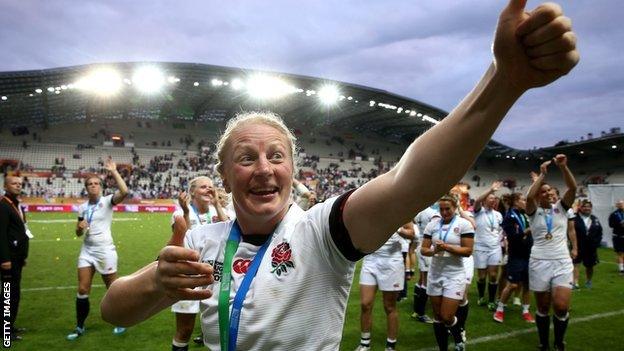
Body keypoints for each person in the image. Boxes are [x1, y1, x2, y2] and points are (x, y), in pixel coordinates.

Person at [100, 2, 580, 349]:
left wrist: (503, 80)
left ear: (293, 169)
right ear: (224, 177)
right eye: (246, 158)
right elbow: (114, 310)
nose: (264, 169)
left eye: (277, 155)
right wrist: (159, 283)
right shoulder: (203, 243)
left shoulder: (323, 231)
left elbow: (412, 179)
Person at [66, 158, 129, 340]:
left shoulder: (108, 201)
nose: (93, 186)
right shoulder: (82, 207)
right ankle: (79, 327)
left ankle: (120, 320)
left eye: (96, 183)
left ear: (100, 187)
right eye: (90, 184)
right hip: (87, 250)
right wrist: (79, 228)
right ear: (86, 188)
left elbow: (124, 191)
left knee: (112, 288)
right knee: (83, 289)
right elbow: (78, 232)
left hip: (105, 251)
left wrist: (114, 171)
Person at [526, 155, 578, 351]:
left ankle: (559, 341)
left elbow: (572, 189)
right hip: (539, 262)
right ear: (539, 195)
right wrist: (542, 175)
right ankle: (544, 343)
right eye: (544, 191)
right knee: (542, 307)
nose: (548, 193)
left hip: (562, 261)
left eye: (550, 190)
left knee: (561, 306)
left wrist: (564, 168)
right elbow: (529, 197)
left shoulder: (561, 209)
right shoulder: (533, 211)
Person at [170, 176, 229, 351]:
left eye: (211, 187)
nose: (209, 190)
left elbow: (230, 233)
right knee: (185, 330)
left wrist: (218, 205)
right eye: (203, 187)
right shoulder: (179, 213)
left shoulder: (217, 211)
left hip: (213, 277)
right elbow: (182, 239)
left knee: (217, 328)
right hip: (186, 276)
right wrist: (186, 213)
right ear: (192, 192)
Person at [421, 195, 474, 351]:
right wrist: (433, 250)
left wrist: (447, 247)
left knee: (446, 316)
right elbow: (424, 249)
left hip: (454, 274)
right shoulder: (432, 225)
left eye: (447, 209)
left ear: (455, 207)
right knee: (437, 317)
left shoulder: (464, 224)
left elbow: (468, 251)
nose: (444, 212)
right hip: (435, 273)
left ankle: (458, 339)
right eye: (441, 209)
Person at [355, 222, 415, 351]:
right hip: (371, 259)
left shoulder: (400, 210)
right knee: (365, 304)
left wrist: (398, 228)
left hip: (391, 261)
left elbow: (411, 234)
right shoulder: (370, 211)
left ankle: (390, 345)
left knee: (389, 306)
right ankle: (365, 343)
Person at [493, 192, 535, 323]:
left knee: (528, 284)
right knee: (512, 285)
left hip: (529, 255)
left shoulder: (525, 215)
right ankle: (499, 310)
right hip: (516, 255)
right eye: (523, 200)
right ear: (516, 202)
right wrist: (526, 232)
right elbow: (513, 238)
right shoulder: (509, 217)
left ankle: (526, 311)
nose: (525, 202)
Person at [0, 175, 29, 341]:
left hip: (17, 258)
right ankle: (6, 330)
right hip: (8, 259)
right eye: (14, 183)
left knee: (14, 293)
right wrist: (4, 259)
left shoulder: (16, 204)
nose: (18, 186)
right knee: (8, 294)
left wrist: (23, 256)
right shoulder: (3, 205)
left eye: (20, 183)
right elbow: (1, 235)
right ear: (6, 185)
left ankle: (9, 325)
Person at [473, 181, 504, 310]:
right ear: (485, 200)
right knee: (481, 276)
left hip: (495, 248)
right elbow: (477, 200)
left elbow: (499, 230)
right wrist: (491, 189)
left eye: (494, 199)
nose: (493, 200)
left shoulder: (498, 215)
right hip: (480, 248)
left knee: (492, 275)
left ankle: (491, 300)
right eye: (491, 198)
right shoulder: (478, 211)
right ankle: (481, 296)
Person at [412, 205, 439, 323]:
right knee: (426, 280)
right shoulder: (433, 213)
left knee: (422, 278)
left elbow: (414, 220)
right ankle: (420, 312)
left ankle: (416, 309)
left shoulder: (420, 210)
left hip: (421, 244)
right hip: (427, 246)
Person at [572, 199, 602, 288]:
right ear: (580, 208)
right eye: (584, 206)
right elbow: (570, 231)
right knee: (575, 264)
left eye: (588, 206)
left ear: (591, 208)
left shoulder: (595, 219)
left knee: (590, 266)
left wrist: (596, 243)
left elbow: (600, 232)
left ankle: (588, 281)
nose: (586, 208)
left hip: (591, 247)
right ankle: (575, 283)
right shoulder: (574, 218)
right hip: (578, 246)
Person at [608, 200, 624, 274]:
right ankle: (621, 269)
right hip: (618, 236)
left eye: (622, 204)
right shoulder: (613, 214)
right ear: (616, 205)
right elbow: (611, 225)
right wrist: (619, 223)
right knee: (620, 252)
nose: (621, 205)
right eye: (619, 204)